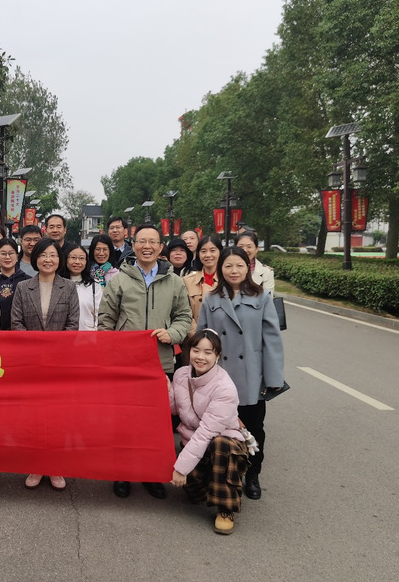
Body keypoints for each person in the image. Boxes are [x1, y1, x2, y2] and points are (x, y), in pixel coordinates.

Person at [98, 224, 192, 500]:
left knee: (155, 424)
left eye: (152, 242)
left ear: (161, 247)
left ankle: (151, 474)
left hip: (159, 363)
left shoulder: (174, 282)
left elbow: (184, 317)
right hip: (125, 365)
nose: (147, 246)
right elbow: (105, 320)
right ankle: (122, 473)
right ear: (134, 245)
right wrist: (112, 352)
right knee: (124, 422)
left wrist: (172, 333)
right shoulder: (119, 280)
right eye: (141, 241)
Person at [197, 247, 285, 501]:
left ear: (248, 267)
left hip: (251, 376)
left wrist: (273, 378)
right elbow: (203, 337)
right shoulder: (211, 299)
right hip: (220, 376)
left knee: (254, 428)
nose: (234, 271)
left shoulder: (262, 297)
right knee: (217, 428)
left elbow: (272, 340)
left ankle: (253, 474)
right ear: (221, 269)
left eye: (239, 265)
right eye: (228, 266)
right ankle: (218, 475)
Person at [11, 238, 80, 490]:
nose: (47, 260)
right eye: (43, 255)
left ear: (59, 259)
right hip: (30, 364)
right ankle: (36, 464)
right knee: (33, 417)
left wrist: (53, 351)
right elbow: (16, 323)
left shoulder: (68, 288)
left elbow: (73, 325)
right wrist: (35, 350)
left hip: (60, 364)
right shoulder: (23, 287)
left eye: (52, 255)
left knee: (58, 417)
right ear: (35, 258)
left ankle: (55, 466)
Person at [169, 329, 249, 535]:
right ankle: (212, 482)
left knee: (221, 444)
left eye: (208, 352)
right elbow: (174, 409)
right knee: (195, 496)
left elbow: (206, 433)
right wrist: (165, 389)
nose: (201, 357)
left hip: (223, 442)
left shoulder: (224, 388)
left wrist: (181, 468)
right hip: (193, 443)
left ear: (217, 355)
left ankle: (226, 508)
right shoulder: (181, 375)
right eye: (196, 350)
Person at [0, 237, 31, 330]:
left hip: (20, 332)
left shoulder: (27, 281)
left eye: (11, 253)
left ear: (17, 256)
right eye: (3, 254)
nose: (7, 257)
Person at [183, 234, 222, 335]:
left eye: (212, 250)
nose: (208, 255)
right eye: (203, 251)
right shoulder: (187, 281)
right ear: (198, 254)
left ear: (220, 252)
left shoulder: (227, 280)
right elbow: (184, 313)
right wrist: (197, 336)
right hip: (195, 338)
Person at [62, 244, 102, 331]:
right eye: (73, 257)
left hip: (88, 334)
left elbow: (99, 313)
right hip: (63, 335)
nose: (77, 262)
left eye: (81, 258)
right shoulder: (58, 284)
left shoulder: (94, 285)